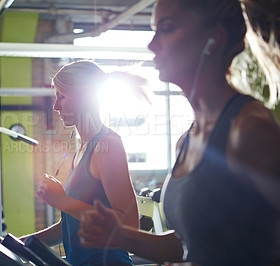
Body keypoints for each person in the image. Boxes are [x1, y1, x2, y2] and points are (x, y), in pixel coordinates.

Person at [78, 0, 280, 265]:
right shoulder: (187, 140)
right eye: (154, 29)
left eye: (168, 28)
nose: (152, 44)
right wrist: (119, 236)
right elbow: (188, 245)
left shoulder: (249, 130)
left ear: (213, 39)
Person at [18, 60, 151, 266]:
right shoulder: (81, 149)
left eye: (62, 96)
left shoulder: (107, 145)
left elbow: (130, 223)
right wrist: (17, 244)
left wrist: (63, 201)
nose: (55, 106)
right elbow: (70, 225)